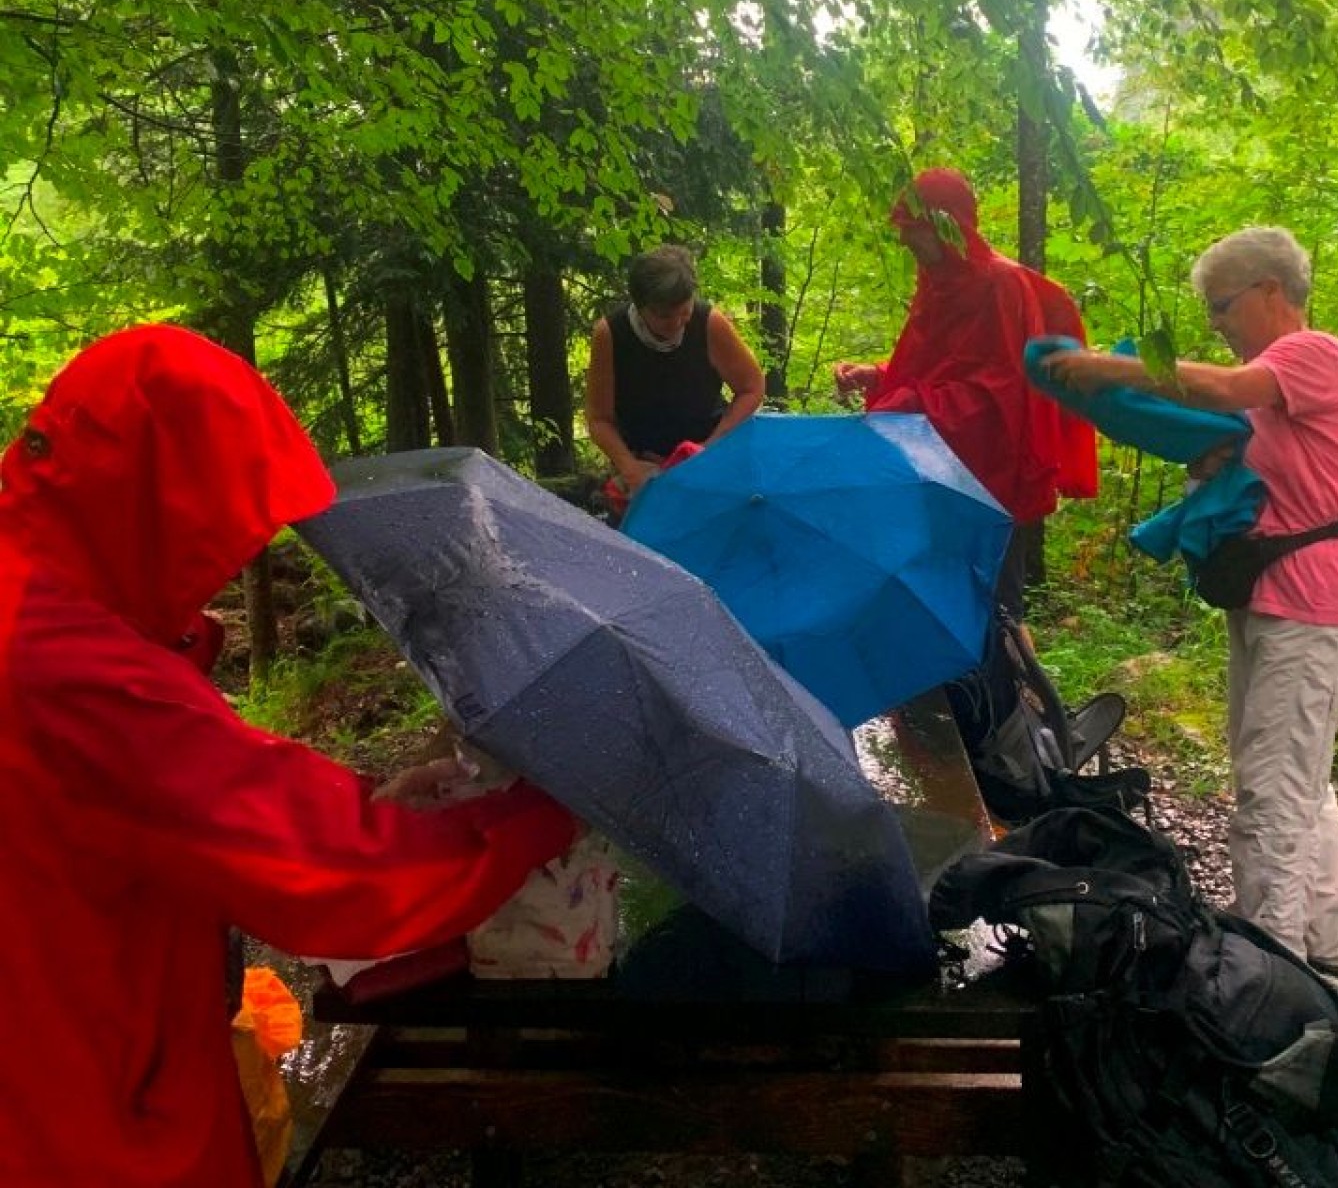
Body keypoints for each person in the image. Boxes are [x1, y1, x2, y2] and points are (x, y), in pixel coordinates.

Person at [0, 324, 578, 1188]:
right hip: (77, 1124)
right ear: (165, 496)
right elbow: (324, 870)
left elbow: (177, 802)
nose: (239, 555)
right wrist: (542, 812)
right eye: (223, 526)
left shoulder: (35, 595)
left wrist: (376, 799)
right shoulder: (68, 667)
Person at [1042, 226, 1338, 984]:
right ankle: (1336, 949)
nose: (1217, 324)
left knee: (1272, 791)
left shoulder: (1310, 353)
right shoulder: (1276, 385)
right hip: (1278, 600)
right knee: (1297, 778)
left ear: (1270, 292)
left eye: (1222, 305)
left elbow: (1225, 390)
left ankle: (1269, 983)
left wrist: (1112, 368)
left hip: (1313, 607)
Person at [834, 167, 1098, 624]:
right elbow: (937, 366)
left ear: (947, 225)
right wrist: (878, 377)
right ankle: (955, 697)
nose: (905, 243)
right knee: (939, 600)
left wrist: (913, 404)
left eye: (913, 231)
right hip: (938, 473)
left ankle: (1010, 697)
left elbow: (1004, 397)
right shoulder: (937, 283)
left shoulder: (1001, 285)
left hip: (993, 480)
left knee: (993, 609)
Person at [585, 244, 765, 496]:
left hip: (709, 452)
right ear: (640, 306)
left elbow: (752, 388)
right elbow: (599, 419)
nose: (678, 321)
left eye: (685, 310)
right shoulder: (611, 334)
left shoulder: (709, 323)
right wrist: (630, 468)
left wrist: (707, 450)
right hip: (643, 461)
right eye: (664, 315)